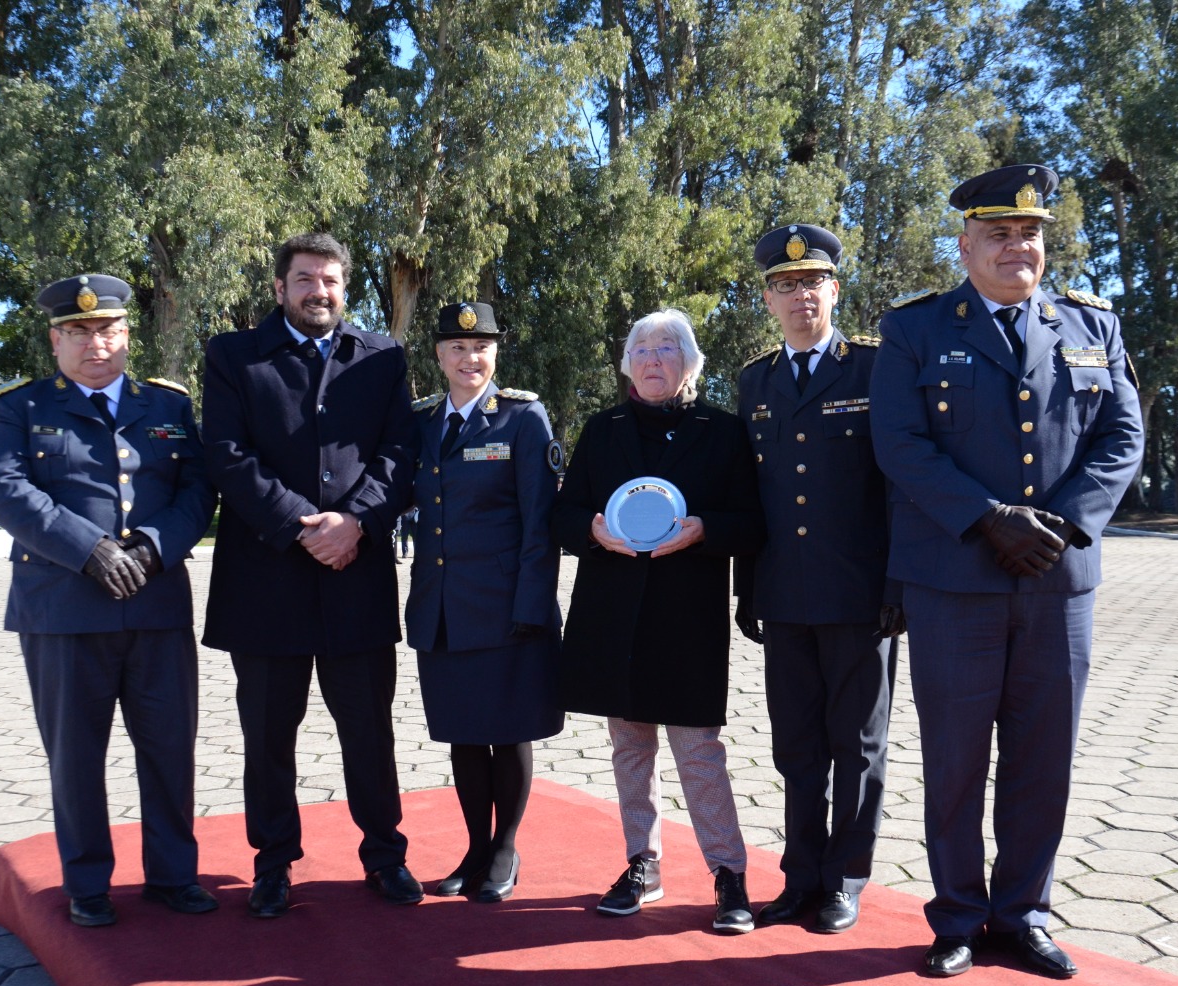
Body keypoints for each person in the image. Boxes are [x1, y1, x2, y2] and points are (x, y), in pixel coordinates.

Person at [871, 164, 1145, 979]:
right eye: (998, 233)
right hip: (955, 580)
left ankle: (1023, 912)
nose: (1016, 246)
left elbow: (1122, 439)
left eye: (1029, 233)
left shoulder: (1092, 325)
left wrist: (1060, 525)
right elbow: (900, 444)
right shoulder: (915, 330)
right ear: (965, 246)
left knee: (1042, 757)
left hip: (1057, 582)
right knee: (956, 759)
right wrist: (989, 518)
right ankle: (957, 916)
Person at [0, 274, 218, 928]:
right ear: (55, 338)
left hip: (156, 604)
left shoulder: (167, 407)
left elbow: (198, 491)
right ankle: (87, 882)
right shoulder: (20, 407)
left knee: (170, 747)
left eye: (108, 329)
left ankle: (173, 874)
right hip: (63, 608)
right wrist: (89, 548)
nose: (96, 343)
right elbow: (4, 490)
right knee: (76, 753)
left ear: (126, 335)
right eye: (80, 331)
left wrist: (149, 546)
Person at [202, 232, 421, 918]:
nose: (316, 291)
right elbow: (227, 456)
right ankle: (272, 861)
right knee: (268, 734)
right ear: (279, 288)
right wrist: (306, 525)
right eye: (303, 279)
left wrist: (355, 521)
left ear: (344, 288)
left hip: (356, 575)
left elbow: (399, 454)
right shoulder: (235, 356)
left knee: (369, 729)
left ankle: (385, 853)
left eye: (328, 280)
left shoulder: (382, 357)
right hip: (266, 580)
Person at [551, 308, 765, 934]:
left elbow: (752, 522)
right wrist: (591, 530)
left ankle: (728, 873)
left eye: (667, 347)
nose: (652, 359)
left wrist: (706, 530)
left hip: (687, 615)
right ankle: (642, 862)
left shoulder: (723, 432)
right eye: (641, 349)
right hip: (613, 614)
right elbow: (565, 515)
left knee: (698, 750)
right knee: (628, 747)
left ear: (690, 363)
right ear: (627, 365)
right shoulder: (603, 428)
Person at [735, 223, 900, 935]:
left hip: (861, 595)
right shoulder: (754, 381)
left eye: (813, 281)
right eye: (785, 284)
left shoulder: (874, 370)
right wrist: (748, 585)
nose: (800, 294)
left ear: (835, 288)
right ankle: (801, 876)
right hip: (785, 595)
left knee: (857, 745)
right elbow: (752, 494)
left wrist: (900, 581)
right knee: (795, 745)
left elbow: (899, 483)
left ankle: (845, 878)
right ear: (767, 299)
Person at [406, 302, 564, 902]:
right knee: (464, 733)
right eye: (457, 348)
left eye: (482, 348)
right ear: (439, 356)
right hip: (442, 608)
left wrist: (532, 604)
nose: (470, 359)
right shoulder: (422, 422)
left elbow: (539, 522)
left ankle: (506, 848)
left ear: (495, 353)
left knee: (508, 730)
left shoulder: (522, 419)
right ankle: (475, 847)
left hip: (505, 606)